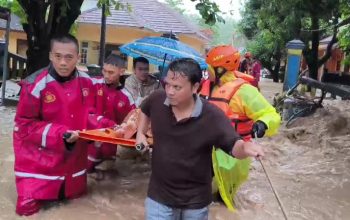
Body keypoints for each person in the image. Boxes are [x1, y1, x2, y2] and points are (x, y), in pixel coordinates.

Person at [136, 58, 265, 219]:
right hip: (159, 197)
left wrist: (245, 148)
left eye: (177, 87)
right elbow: (144, 109)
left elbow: (233, 146)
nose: (170, 91)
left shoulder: (212, 116)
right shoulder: (157, 99)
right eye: (167, 84)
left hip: (195, 203)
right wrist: (140, 133)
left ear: (195, 87)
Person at [13, 34, 112, 216]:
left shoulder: (87, 82)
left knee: (77, 207)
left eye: (69, 57)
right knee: (26, 211)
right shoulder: (34, 85)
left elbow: (90, 114)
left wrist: (110, 129)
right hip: (38, 164)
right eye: (58, 56)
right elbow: (23, 126)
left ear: (77, 58)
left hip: (73, 165)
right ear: (50, 56)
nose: (63, 63)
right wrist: (62, 134)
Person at [203, 45, 280, 141]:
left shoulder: (245, 91)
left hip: (236, 148)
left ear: (219, 70)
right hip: (208, 147)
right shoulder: (203, 86)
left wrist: (263, 123)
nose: (206, 70)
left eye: (209, 68)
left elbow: (270, 114)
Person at [88, 54, 136, 171]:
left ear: (122, 71)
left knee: (105, 175)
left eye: (111, 72)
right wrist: (107, 123)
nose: (106, 75)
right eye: (104, 71)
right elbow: (86, 111)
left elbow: (132, 119)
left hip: (110, 144)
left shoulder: (126, 96)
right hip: (89, 138)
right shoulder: (93, 84)